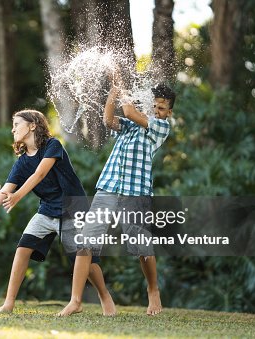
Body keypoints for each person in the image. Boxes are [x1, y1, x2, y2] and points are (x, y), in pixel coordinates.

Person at [0, 109, 116, 315]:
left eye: (17, 124)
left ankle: (102, 296)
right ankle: (9, 303)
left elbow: (40, 173)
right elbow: (4, 190)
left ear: (32, 125)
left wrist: (18, 196)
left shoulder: (52, 146)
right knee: (22, 249)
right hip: (47, 211)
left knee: (85, 261)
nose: (13, 129)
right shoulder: (21, 162)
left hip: (72, 209)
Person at [58, 82, 175, 317]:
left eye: (161, 108)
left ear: (168, 112)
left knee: (142, 247)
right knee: (85, 242)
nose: (155, 111)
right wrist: (114, 90)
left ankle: (153, 289)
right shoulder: (130, 126)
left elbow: (130, 110)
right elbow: (108, 118)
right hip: (109, 187)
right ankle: (75, 300)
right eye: (153, 106)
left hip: (136, 191)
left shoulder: (161, 127)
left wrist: (122, 84)